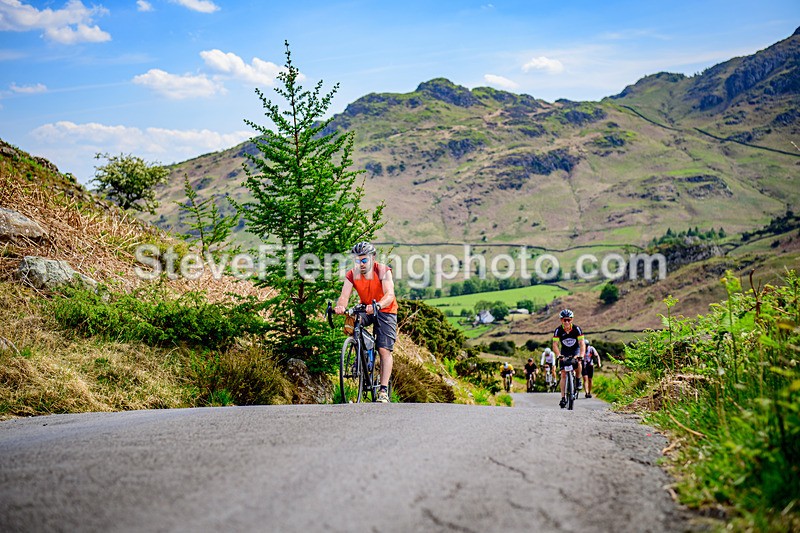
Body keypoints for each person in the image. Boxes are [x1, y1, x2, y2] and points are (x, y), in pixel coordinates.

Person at [335, 241, 398, 403]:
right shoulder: (352, 274)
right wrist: (341, 307)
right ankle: (361, 355)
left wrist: (378, 305)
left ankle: (383, 391)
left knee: (384, 350)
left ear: (372, 258)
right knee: (352, 321)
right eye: (357, 260)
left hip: (386, 310)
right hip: (366, 307)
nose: (361, 264)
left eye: (364, 260)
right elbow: (344, 296)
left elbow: (389, 294)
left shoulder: (383, 271)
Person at [552, 309, 585, 408]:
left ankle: (578, 379)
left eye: (568, 320)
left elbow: (582, 344)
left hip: (575, 350)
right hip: (564, 351)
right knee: (563, 374)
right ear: (561, 320)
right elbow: (555, 344)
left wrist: (581, 355)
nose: (566, 322)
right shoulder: (558, 330)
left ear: (572, 320)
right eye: (564, 320)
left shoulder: (577, 329)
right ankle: (563, 398)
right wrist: (558, 355)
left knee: (578, 363)